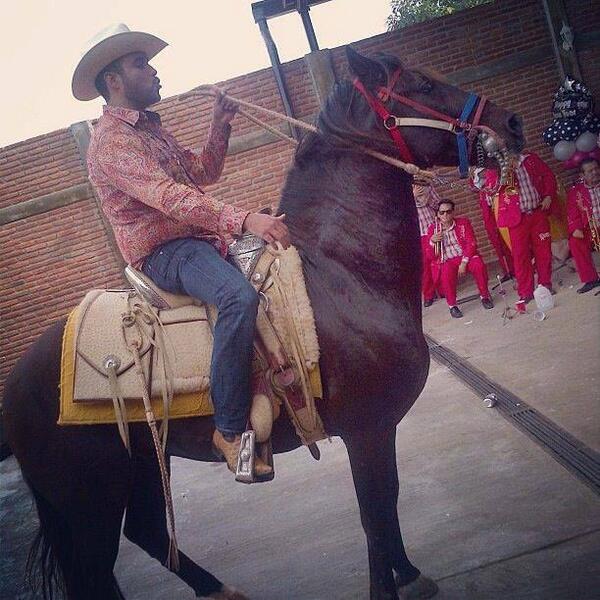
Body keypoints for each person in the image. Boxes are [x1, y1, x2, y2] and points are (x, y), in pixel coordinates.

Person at [74, 24, 290, 479]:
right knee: (238, 297)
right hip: (166, 252)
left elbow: (201, 172)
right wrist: (247, 218)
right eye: (140, 64)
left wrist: (220, 123)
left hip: (197, 243)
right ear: (113, 80)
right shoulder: (112, 143)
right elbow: (171, 197)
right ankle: (229, 431)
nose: (153, 72)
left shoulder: (150, 128)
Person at [479, 152, 558, 303]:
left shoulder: (530, 159)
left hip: (537, 212)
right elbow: (491, 192)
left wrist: (548, 195)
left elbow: (548, 175)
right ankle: (525, 292)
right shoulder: (496, 167)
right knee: (520, 256)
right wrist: (501, 173)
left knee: (544, 251)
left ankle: (545, 285)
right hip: (517, 218)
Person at [426, 200, 494, 319]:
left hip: (464, 257)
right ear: (437, 215)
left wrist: (464, 262)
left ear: (453, 212)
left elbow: (471, 243)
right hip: (447, 260)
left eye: (448, 211)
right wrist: (432, 242)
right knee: (445, 273)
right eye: (442, 213)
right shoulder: (433, 229)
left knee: (478, 265)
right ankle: (452, 305)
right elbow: (431, 256)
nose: (445, 215)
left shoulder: (463, 223)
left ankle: (485, 296)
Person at [470, 167, 514, 281]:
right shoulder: (473, 171)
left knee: (508, 239)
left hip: (500, 207)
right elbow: (473, 187)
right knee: (496, 242)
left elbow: (494, 184)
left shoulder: (491, 168)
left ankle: (516, 268)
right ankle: (507, 270)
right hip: (488, 211)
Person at [566, 157, 600, 293]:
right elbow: (572, 212)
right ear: (582, 175)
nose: (595, 172)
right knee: (575, 241)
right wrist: (575, 228)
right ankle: (591, 279)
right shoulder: (576, 192)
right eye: (590, 171)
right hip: (590, 228)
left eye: (596, 169)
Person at [413, 182, 441, 306]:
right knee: (423, 265)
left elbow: (439, 206)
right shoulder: (401, 190)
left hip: (431, 229)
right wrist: (413, 196)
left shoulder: (426, 185)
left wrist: (427, 198)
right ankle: (428, 295)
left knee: (437, 259)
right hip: (417, 232)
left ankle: (443, 289)